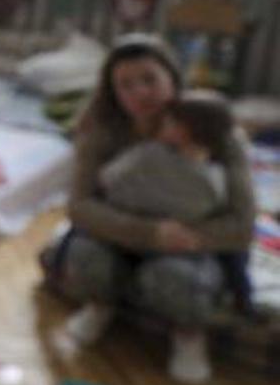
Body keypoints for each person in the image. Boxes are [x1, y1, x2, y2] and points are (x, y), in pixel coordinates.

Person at [55, 36, 256, 384]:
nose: (140, 93)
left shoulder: (219, 133)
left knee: (176, 279)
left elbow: (242, 223)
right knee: (85, 255)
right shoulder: (101, 133)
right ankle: (102, 306)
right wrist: (150, 233)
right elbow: (80, 206)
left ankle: (189, 335)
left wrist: (189, 237)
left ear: (173, 80)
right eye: (127, 85)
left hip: (188, 244)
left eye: (150, 79)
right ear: (113, 92)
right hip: (122, 235)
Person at [95, 90, 254, 317]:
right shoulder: (213, 173)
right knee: (234, 257)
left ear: (186, 130)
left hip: (177, 239)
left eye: (169, 122)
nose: (161, 125)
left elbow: (106, 179)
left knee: (232, 252)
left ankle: (239, 296)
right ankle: (242, 297)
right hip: (162, 233)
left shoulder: (152, 154)